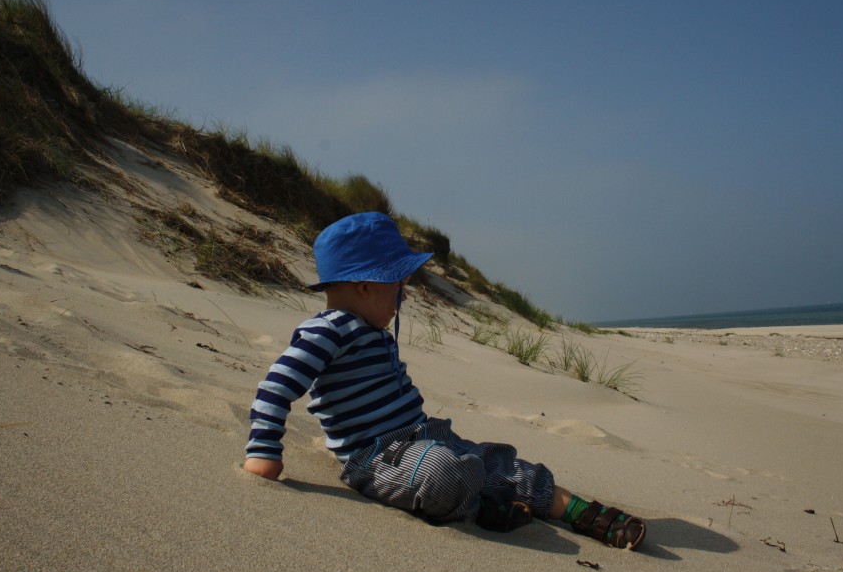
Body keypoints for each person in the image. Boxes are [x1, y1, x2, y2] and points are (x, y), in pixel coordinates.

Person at [244, 212, 645, 550]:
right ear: (365, 287)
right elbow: (275, 388)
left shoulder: (372, 329)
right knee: (440, 472)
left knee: (507, 467)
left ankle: (581, 513)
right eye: (398, 286)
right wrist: (264, 451)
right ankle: (483, 502)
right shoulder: (328, 330)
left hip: (426, 435)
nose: (404, 297)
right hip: (377, 457)